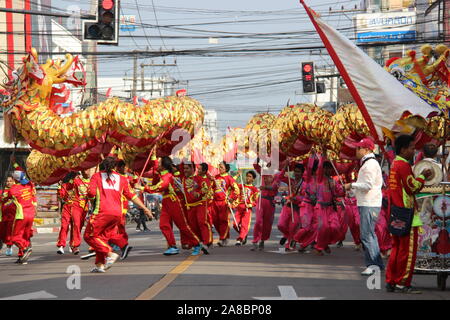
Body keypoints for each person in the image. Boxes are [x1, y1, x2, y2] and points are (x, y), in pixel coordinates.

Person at [84, 157, 153, 273]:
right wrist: (145, 208)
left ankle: (109, 253)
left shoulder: (96, 176)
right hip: (117, 214)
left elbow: (90, 193)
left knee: (89, 236)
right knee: (101, 238)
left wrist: (91, 199)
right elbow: (132, 195)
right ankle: (100, 265)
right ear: (115, 167)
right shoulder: (122, 179)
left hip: (102, 212)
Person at [384, 135, 431, 294]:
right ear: (403, 149)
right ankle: (403, 283)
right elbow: (413, 187)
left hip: (396, 213)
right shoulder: (403, 165)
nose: (413, 150)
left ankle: (391, 280)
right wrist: (423, 176)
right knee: (408, 251)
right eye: (411, 148)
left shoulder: (395, 164)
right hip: (407, 214)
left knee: (396, 249)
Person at [144, 156, 207, 256]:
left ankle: (197, 244)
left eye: (160, 163)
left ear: (164, 166)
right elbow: (154, 176)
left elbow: (159, 187)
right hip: (166, 202)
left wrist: (143, 188)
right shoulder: (161, 174)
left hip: (174, 202)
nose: (158, 165)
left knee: (183, 226)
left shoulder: (168, 176)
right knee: (163, 225)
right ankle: (172, 246)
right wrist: (154, 156)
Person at [344, 138, 384, 275]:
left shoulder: (370, 164)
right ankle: (376, 263)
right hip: (367, 202)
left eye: (358, 148)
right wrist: (352, 191)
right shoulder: (367, 164)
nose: (356, 151)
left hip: (369, 204)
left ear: (366, 149)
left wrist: (351, 185)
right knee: (369, 235)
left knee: (367, 235)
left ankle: (373, 264)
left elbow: (368, 185)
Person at [6, 164, 37, 264]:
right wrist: (15, 163)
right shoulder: (29, 185)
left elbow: (7, 197)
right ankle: (22, 257)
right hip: (31, 214)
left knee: (15, 238)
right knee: (24, 235)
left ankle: (25, 248)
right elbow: (21, 171)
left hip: (21, 215)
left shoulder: (13, 190)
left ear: (14, 180)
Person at [56, 170, 91, 255]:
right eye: (75, 176)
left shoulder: (91, 182)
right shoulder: (74, 181)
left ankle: (73, 245)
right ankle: (61, 245)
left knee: (77, 226)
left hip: (83, 208)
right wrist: (60, 186)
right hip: (70, 206)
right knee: (65, 225)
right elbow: (63, 194)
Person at [181, 163, 213, 249]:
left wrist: (198, 193)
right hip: (189, 206)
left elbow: (206, 187)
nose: (185, 170)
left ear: (192, 169)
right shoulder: (183, 179)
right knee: (193, 226)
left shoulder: (198, 178)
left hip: (200, 204)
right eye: (184, 168)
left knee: (202, 222)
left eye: (187, 168)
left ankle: (207, 242)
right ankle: (198, 242)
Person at [251, 161, 280, 251]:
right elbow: (255, 165)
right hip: (261, 200)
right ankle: (255, 241)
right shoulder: (263, 173)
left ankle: (262, 240)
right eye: (268, 163)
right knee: (258, 221)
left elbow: (274, 187)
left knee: (267, 223)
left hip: (270, 202)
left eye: (271, 164)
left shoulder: (277, 175)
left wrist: (266, 188)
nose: (269, 165)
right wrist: (258, 157)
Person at [277, 162, 305, 251]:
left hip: (297, 208)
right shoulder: (291, 181)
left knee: (293, 226)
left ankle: (288, 244)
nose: (296, 173)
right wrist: (285, 167)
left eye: (298, 172)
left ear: (302, 173)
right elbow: (279, 177)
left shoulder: (305, 184)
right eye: (295, 171)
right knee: (280, 225)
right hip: (288, 207)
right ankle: (286, 235)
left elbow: (304, 197)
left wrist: (295, 198)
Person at [211, 161, 240, 247]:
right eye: (219, 167)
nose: (220, 169)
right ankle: (224, 236)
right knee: (215, 221)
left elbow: (236, 190)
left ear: (226, 168)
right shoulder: (215, 178)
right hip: (214, 202)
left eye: (222, 167)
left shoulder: (229, 178)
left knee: (223, 221)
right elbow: (211, 188)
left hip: (224, 202)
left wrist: (232, 198)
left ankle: (222, 238)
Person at [233, 171, 259, 246]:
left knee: (244, 225)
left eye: (250, 176)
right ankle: (244, 234)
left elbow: (256, 201)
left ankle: (240, 239)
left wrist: (250, 205)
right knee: (235, 224)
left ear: (253, 179)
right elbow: (232, 183)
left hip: (247, 209)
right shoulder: (241, 186)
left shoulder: (255, 189)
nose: (248, 177)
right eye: (247, 176)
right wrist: (238, 174)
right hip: (239, 207)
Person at [0, 176, 16, 256]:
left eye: (10, 181)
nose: (8, 182)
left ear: (13, 181)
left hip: (13, 216)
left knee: (10, 233)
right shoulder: (2, 191)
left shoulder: (16, 190)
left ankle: (9, 247)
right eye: (7, 181)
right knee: (2, 233)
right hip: (3, 216)